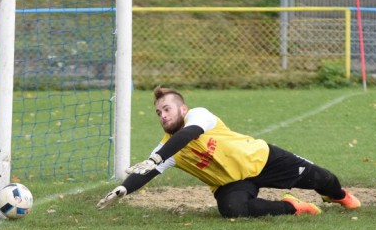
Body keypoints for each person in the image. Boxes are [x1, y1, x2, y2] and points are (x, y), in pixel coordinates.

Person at [96, 86, 360, 217]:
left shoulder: (199, 115)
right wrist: (123, 189)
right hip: (231, 182)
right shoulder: (166, 148)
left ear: (183, 109)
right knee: (232, 210)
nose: (162, 115)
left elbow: (188, 135)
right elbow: (148, 171)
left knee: (325, 179)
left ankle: (338, 196)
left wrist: (157, 157)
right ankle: (292, 206)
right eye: (158, 113)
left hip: (261, 159)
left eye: (167, 109)